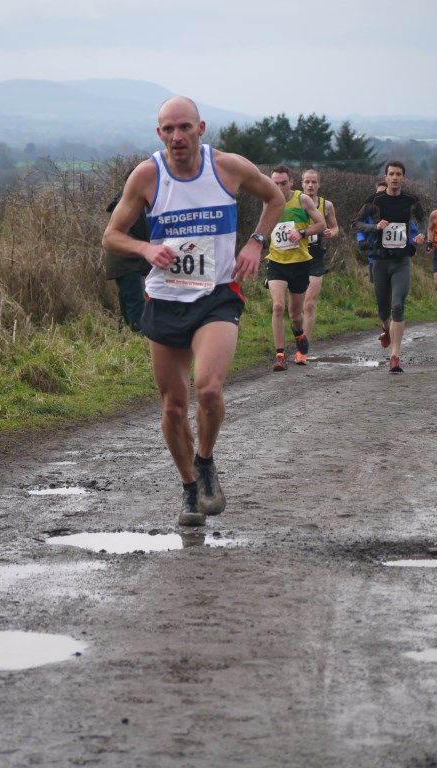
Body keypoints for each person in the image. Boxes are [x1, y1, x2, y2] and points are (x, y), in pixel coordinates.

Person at [102, 96, 285, 527]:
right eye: (168, 129)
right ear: (159, 133)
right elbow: (111, 236)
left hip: (216, 295)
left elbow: (275, 198)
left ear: (201, 129)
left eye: (184, 127)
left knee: (208, 390)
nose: (177, 136)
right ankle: (189, 488)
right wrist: (145, 248)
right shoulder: (147, 175)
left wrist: (256, 241)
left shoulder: (227, 167)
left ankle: (205, 461)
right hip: (166, 298)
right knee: (172, 407)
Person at [354, 161, 427, 373]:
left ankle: (395, 357)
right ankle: (386, 329)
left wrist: (421, 234)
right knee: (384, 311)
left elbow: (422, 220)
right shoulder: (375, 200)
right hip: (380, 260)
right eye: (391, 174)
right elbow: (356, 223)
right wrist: (374, 227)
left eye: (398, 174)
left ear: (404, 178)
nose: (395, 178)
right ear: (385, 177)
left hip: (401, 260)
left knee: (397, 307)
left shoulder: (411, 200)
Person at [265, 165, 325, 370]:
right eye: (275, 184)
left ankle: (299, 334)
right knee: (277, 306)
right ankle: (280, 355)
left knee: (296, 316)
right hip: (276, 262)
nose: (279, 188)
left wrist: (302, 233)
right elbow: (264, 225)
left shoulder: (302, 199)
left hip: (299, 263)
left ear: (291, 182)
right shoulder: (268, 200)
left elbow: (321, 224)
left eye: (283, 183)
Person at [105, 173, 151, 331]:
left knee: (127, 298)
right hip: (126, 261)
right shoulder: (130, 205)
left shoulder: (125, 200)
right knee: (134, 300)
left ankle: (123, 332)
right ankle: (138, 332)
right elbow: (144, 233)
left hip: (122, 260)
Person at [300, 169, 339, 345]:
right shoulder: (294, 203)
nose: (310, 185)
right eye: (307, 182)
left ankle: (303, 346)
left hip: (315, 256)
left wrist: (332, 232)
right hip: (295, 255)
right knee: (296, 307)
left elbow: (335, 227)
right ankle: (298, 334)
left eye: (314, 182)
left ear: (319, 184)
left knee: (309, 304)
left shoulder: (326, 205)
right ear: (302, 184)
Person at [357, 180, 388, 283]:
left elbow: (411, 229)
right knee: (378, 285)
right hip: (375, 254)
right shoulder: (369, 211)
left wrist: (411, 243)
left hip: (395, 255)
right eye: (378, 193)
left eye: (384, 193)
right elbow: (360, 226)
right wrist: (361, 240)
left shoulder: (398, 211)